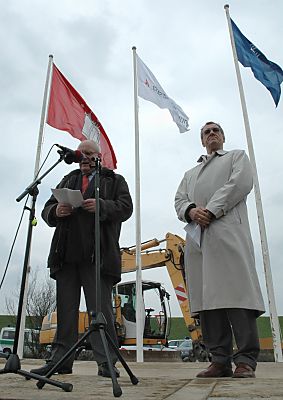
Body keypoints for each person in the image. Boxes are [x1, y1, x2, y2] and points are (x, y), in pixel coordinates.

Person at [31, 139, 133, 378]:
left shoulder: (114, 180)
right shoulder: (68, 180)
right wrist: (55, 211)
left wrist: (102, 205)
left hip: (97, 255)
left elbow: (126, 208)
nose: (84, 157)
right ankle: (60, 361)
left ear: (99, 156)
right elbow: (47, 209)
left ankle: (106, 361)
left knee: (101, 311)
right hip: (65, 255)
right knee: (65, 311)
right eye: (81, 153)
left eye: (89, 153)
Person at [175, 121, 265, 378]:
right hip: (198, 241)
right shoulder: (190, 174)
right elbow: (179, 200)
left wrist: (211, 210)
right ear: (202, 141)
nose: (211, 134)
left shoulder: (236, 157)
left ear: (223, 137)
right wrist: (191, 210)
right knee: (207, 302)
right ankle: (220, 359)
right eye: (206, 132)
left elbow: (239, 183)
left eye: (216, 130)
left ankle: (246, 360)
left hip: (227, 234)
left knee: (237, 295)